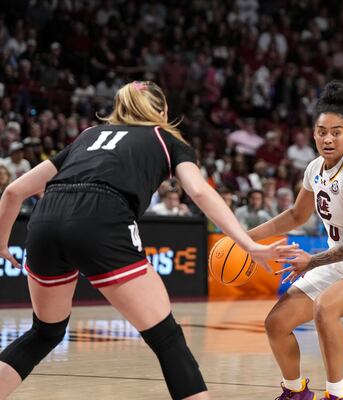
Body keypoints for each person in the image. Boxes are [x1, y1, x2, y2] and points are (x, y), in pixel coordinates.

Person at [0, 81, 284, 400]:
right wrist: (248, 244)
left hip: (45, 218)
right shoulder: (166, 139)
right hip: (102, 215)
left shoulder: (88, 135)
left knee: (44, 332)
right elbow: (201, 191)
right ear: (162, 111)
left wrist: (0, 243)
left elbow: (13, 191)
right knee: (167, 338)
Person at [249, 81, 343, 400]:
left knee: (325, 308)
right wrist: (244, 238)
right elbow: (294, 215)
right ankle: (296, 392)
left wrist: (312, 261)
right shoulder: (315, 168)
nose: (328, 138)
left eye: (336, 131)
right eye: (321, 131)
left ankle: (337, 394)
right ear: (313, 133)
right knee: (276, 323)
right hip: (338, 260)